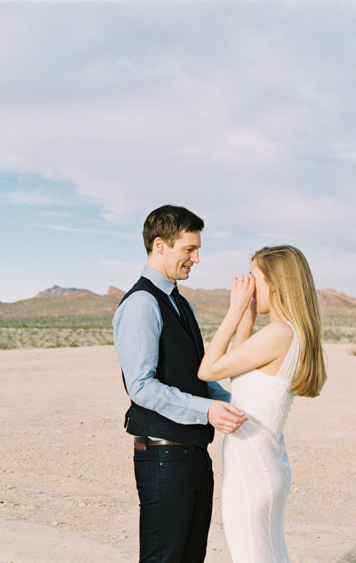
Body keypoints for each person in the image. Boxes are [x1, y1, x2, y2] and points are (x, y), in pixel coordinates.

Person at [112, 204, 247, 563]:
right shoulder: (143, 303)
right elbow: (141, 386)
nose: (196, 258)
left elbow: (198, 376)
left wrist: (234, 404)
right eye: (189, 249)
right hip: (163, 457)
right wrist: (208, 410)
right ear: (160, 246)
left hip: (192, 458)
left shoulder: (179, 303)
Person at [198, 245, 327, 563]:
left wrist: (235, 310)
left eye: (254, 278)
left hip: (251, 470)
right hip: (263, 462)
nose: (248, 286)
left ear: (276, 283)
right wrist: (249, 316)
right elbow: (235, 371)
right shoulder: (290, 333)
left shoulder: (279, 333)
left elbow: (209, 369)